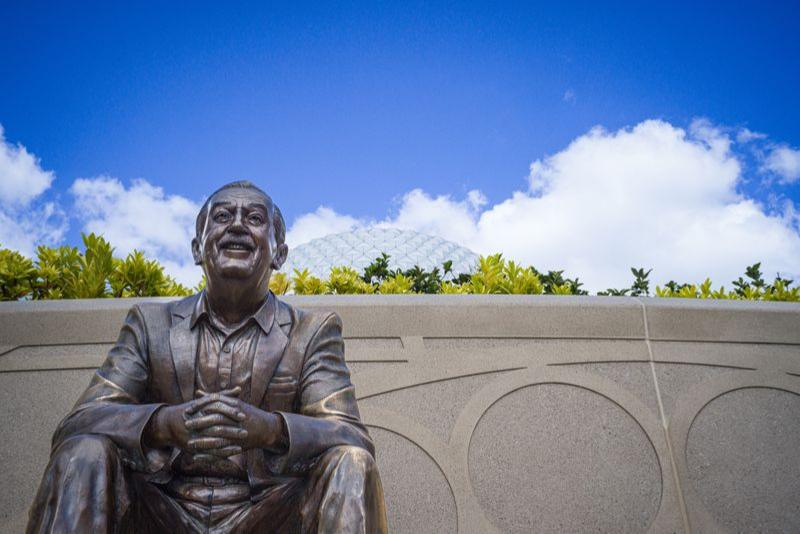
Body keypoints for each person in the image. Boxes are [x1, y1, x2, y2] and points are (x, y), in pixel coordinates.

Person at [27, 181, 387, 533]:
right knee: (83, 449)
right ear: (198, 248)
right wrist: (163, 424)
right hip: (159, 510)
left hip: (270, 513)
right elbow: (80, 421)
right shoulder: (150, 324)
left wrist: (270, 429)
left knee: (351, 461)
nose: (237, 225)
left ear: (279, 254)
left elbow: (350, 434)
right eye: (223, 216)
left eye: (255, 218)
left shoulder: (311, 330)